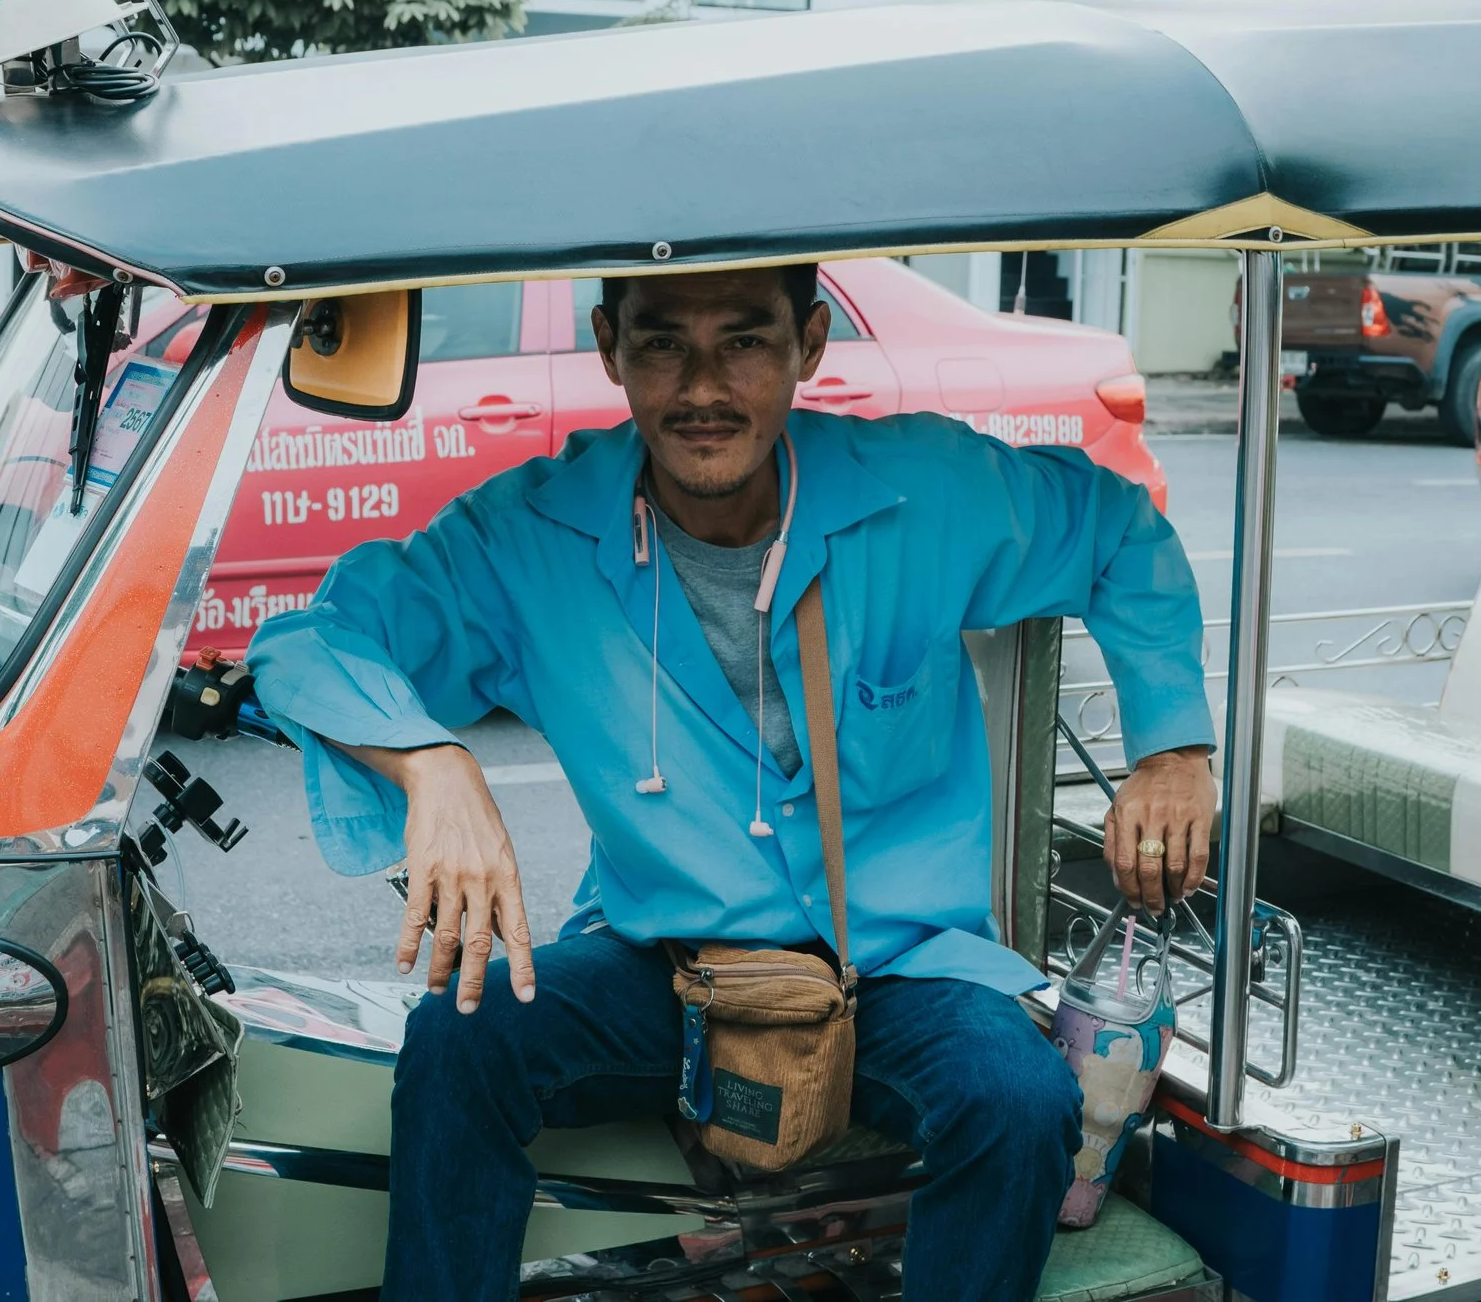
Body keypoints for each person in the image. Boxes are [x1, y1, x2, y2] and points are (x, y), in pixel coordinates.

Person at [248, 264, 1217, 1302]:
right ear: (610, 344)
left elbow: (1118, 528)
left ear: (807, 344)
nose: (702, 385)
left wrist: (1169, 747)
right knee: (460, 1034)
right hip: (665, 961)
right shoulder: (527, 534)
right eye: (663, 342)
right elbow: (312, 638)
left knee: (1019, 1103)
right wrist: (431, 761)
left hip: (897, 965)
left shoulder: (923, 487)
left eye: (744, 342)